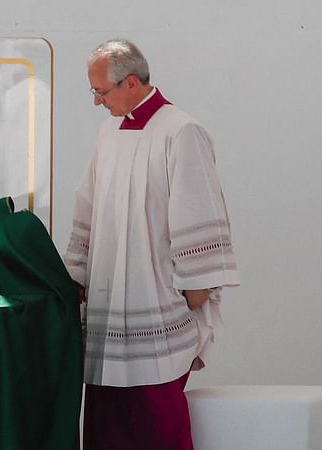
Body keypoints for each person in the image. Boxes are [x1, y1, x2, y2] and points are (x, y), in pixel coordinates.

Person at [64, 39, 240, 450]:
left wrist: (195, 291)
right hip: (110, 307)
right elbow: (88, 205)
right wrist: (77, 275)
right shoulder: (109, 131)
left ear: (129, 82)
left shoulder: (181, 132)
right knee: (108, 420)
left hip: (156, 302)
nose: (95, 102)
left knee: (156, 421)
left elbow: (196, 209)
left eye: (100, 92)